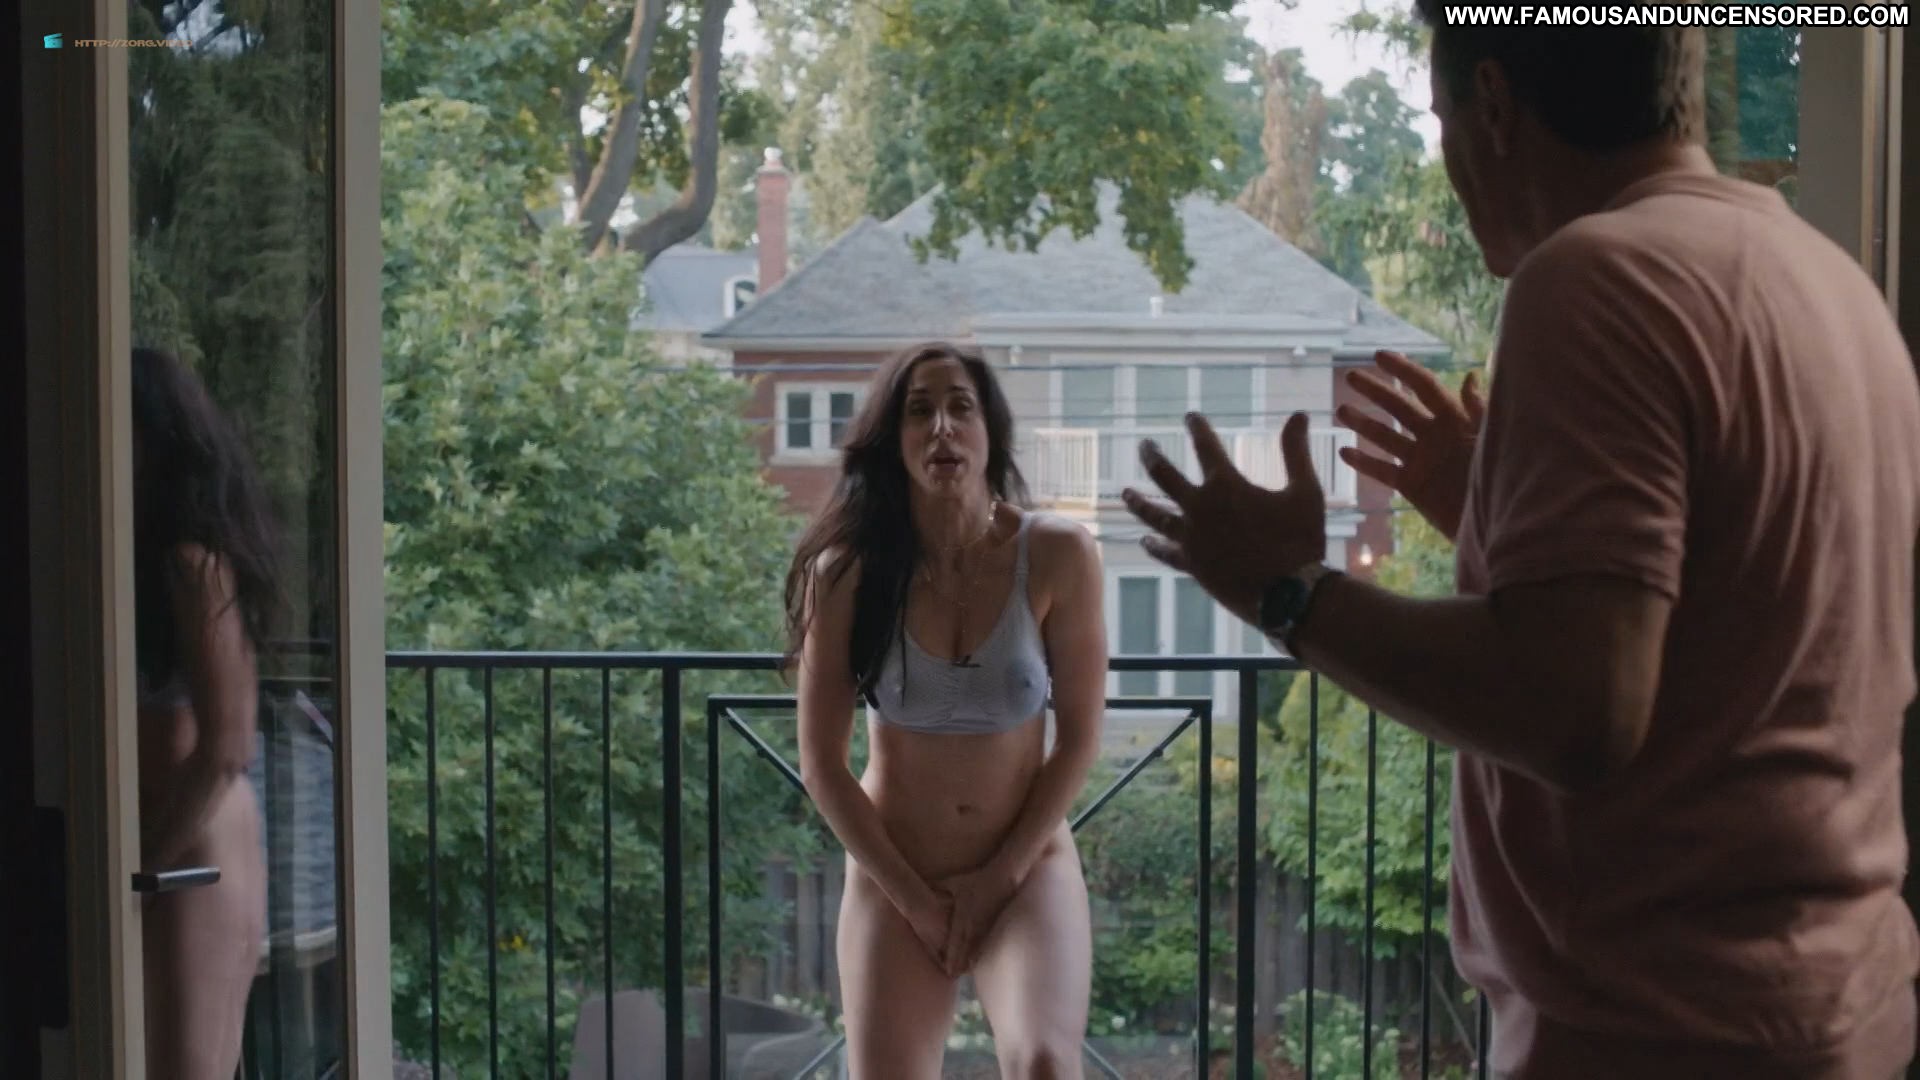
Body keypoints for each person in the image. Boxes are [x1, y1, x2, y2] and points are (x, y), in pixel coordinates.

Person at [1123, 13, 1920, 1080]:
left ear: (1494, 104)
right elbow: (1743, 620)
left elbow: (1577, 710)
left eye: (1440, 117)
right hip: (1835, 1009)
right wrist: (1489, 512)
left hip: (1661, 1035)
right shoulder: (1826, 281)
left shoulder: (1600, 275)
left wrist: (1285, 590)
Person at [784, 342, 1108, 1079]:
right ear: (893, 440)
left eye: (961, 407)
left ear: (990, 431)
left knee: (1045, 1064)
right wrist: (918, 903)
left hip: (1025, 867)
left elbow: (1081, 739)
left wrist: (999, 878)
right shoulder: (848, 573)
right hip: (896, 876)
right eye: (918, 411)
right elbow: (822, 766)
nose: (941, 428)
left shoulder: (1059, 553)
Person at [133, 346, 279, 1080]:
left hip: (194, 837)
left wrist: (140, 867)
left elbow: (227, 742)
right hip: (197, 833)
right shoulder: (162, 562)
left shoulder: (190, 563)